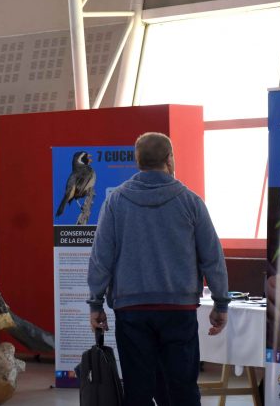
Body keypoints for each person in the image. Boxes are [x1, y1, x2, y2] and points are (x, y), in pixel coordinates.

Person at [87, 132, 230, 406]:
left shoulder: (116, 201)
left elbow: (101, 257)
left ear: (137, 161)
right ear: (169, 159)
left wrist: (95, 303)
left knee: (138, 389)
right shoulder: (191, 202)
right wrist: (221, 303)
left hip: (131, 310)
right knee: (182, 389)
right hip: (179, 309)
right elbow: (212, 256)